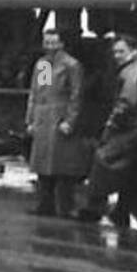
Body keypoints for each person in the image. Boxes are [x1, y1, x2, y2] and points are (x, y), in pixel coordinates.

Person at [81, 33, 137, 226]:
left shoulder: (132, 72)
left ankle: (90, 205)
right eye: (115, 51)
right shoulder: (44, 65)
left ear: (134, 51)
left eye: (121, 51)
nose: (116, 55)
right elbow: (42, 88)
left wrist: (108, 128)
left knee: (102, 157)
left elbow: (125, 104)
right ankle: (118, 209)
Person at [24, 26, 89, 217]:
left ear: (62, 43)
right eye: (47, 43)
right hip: (44, 118)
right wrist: (31, 120)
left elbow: (76, 96)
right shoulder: (43, 64)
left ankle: (66, 207)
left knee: (63, 166)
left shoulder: (71, 65)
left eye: (54, 42)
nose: (50, 46)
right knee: (43, 164)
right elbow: (38, 93)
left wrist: (70, 121)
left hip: (60, 117)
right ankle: (45, 205)